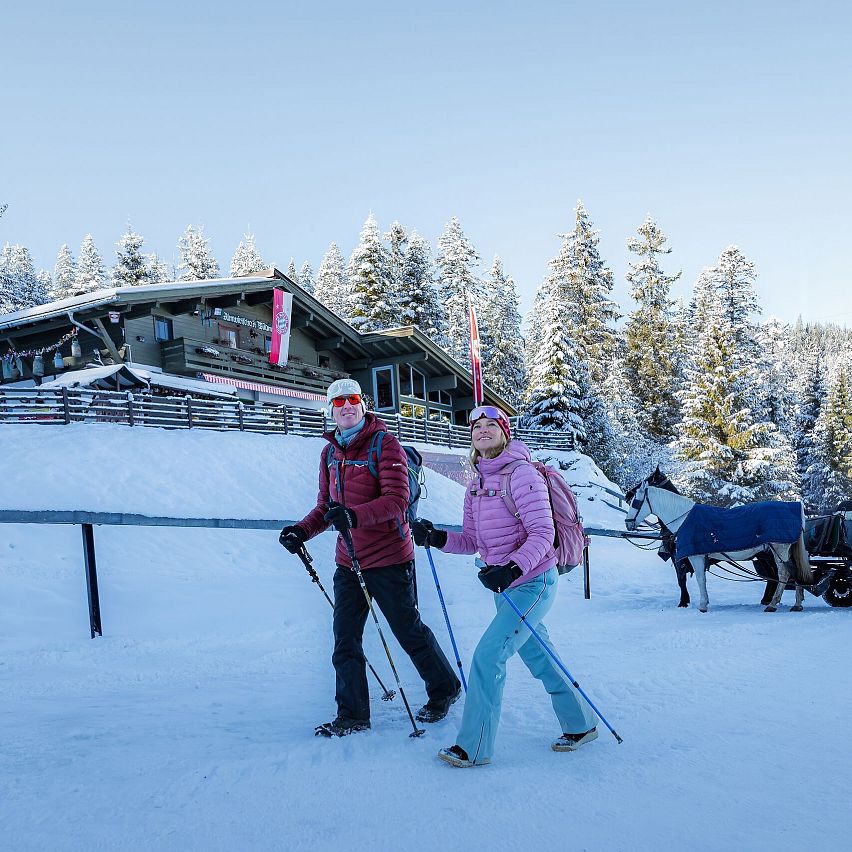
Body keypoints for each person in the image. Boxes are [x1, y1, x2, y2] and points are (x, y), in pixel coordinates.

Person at [411, 405, 596, 767]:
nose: (482, 430)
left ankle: (474, 747)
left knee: (488, 656)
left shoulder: (522, 474)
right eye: (476, 426)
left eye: (490, 425)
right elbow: (471, 540)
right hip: (507, 586)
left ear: (504, 433)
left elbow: (543, 533)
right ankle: (581, 723)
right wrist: (436, 537)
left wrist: (511, 569)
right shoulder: (475, 485)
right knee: (539, 655)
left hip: (534, 581)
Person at [279, 378, 461, 737]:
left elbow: (396, 500)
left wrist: (354, 516)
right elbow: (326, 507)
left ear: (363, 405)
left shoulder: (384, 444)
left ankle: (444, 688)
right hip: (348, 561)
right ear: (330, 410)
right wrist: (301, 531)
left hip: (390, 557)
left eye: (352, 399)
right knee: (345, 639)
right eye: (338, 402)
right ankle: (352, 715)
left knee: (407, 631)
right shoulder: (329, 454)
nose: (346, 406)